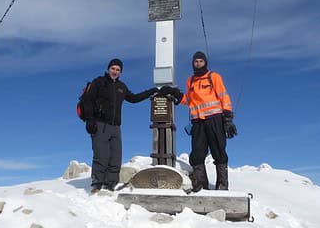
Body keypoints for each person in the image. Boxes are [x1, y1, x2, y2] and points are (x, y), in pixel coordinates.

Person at [162, 51, 237, 191]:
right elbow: (190, 101)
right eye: (196, 61)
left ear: (205, 62)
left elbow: (224, 96)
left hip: (215, 119)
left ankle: (222, 185)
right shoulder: (190, 81)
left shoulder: (213, 77)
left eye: (201, 61)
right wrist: (177, 94)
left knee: (219, 152)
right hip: (198, 122)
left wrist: (227, 119)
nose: (198, 64)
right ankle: (202, 186)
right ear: (193, 63)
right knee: (197, 154)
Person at [79, 58, 157, 193]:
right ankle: (97, 183)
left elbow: (133, 98)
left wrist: (151, 91)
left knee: (116, 157)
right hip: (100, 125)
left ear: (120, 72)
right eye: (113, 69)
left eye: (118, 70)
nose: (115, 71)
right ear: (108, 69)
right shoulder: (99, 82)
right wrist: (90, 120)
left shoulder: (121, 87)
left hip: (115, 127)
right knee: (101, 156)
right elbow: (88, 101)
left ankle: (110, 184)